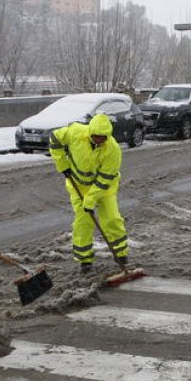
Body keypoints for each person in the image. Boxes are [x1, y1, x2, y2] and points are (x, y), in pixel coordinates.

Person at [49, 113, 129, 273]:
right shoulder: (75, 132)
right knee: (83, 223)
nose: (99, 139)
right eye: (96, 136)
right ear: (90, 131)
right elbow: (55, 138)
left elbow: (105, 179)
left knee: (112, 219)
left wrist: (91, 200)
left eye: (103, 137)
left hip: (105, 189)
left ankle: (121, 254)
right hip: (78, 187)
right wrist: (62, 163)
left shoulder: (113, 149)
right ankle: (85, 260)